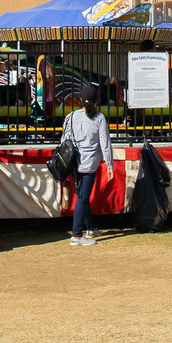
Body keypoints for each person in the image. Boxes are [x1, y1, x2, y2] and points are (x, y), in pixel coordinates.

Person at [63, 84, 113, 246]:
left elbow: (64, 139)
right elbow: (105, 143)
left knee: (81, 195)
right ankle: (76, 235)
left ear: (80, 101)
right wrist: (110, 165)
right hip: (90, 162)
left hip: (74, 161)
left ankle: (91, 227)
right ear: (97, 101)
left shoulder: (72, 116)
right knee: (83, 198)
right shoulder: (99, 118)